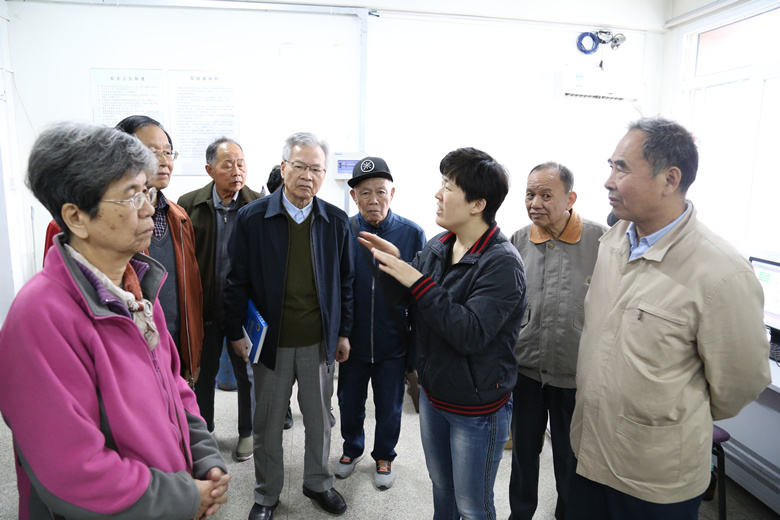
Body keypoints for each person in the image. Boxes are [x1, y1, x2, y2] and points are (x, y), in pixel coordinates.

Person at [0, 122, 229, 520]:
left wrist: (203, 454)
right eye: (132, 195)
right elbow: (73, 472)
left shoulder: (136, 285)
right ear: (77, 217)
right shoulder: (39, 318)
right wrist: (183, 498)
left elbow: (174, 385)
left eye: (147, 191)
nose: (148, 207)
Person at [568, 117, 771, 519]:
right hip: (589, 452)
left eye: (621, 169)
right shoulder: (612, 243)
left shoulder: (721, 272)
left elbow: (741, 382)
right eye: (610, 166)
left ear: (669, 179)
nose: (608, 181)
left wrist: (670, 414)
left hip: (654, 476)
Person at [360, 147, 526, 520]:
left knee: (472, 506)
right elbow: (405, 298)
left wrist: (416, 280)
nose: (438, 194)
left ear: (477, 204)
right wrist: (391, 266)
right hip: (435, 396)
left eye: (448, 187)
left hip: (477, 409)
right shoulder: (440, 245)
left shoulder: (502, 263)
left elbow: (469, 332)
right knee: (443, 489)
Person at [224, 132, 354, 520]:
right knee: (267, 425)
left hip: (318, 342)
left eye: (316, 169)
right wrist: (235, 331)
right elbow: (236, 279)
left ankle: (318, 483)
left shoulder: (335, 221)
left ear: (324, 174)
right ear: (283, 168)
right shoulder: (253, 218)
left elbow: (346, 282)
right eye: (299, 166)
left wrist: (343, 332)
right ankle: (266, 494)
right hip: (271, 343)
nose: (307, 176)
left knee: (320, 422)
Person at [42, 115, 204, 387]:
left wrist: (191, 352)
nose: (163, 161)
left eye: (168, 152)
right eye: (152, 152)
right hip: (115, 364)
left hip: (172, 348)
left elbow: (191, 291)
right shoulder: (70, 226)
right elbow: (61, 309)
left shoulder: (179, 218)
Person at [507, 162, 606, 520]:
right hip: (527, 373)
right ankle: (520, 514)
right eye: (530, 194)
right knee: (523, 454)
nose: (535, 203)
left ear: (570, 199)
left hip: (574, 376)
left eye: (546, 195)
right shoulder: (517, 241)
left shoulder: (601, 241)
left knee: (570, 458)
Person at [334, 156, 426, 489]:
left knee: (389, 406)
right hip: (352, 340)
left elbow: (421, 293)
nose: (373, 200)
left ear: (392, 193)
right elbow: (335, 288)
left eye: (381, 192)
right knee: (349, 402)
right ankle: (351, 449)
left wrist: (415, 347)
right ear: (354, 196)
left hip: (393, 341)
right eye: (365, 192)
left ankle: (384, 455)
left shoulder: (412, 233)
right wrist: (339, 334)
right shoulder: (343, 230)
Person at [178, 137, 262, 463]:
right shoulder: (189, 204)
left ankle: (247, 432)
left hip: (245, 309)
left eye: (241, 163)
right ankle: (206, 432)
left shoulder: (259, 204)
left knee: (247, 374)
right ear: (209, 169)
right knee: (203, 374)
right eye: (228, 164)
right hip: (205, 308)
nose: (237, 170)